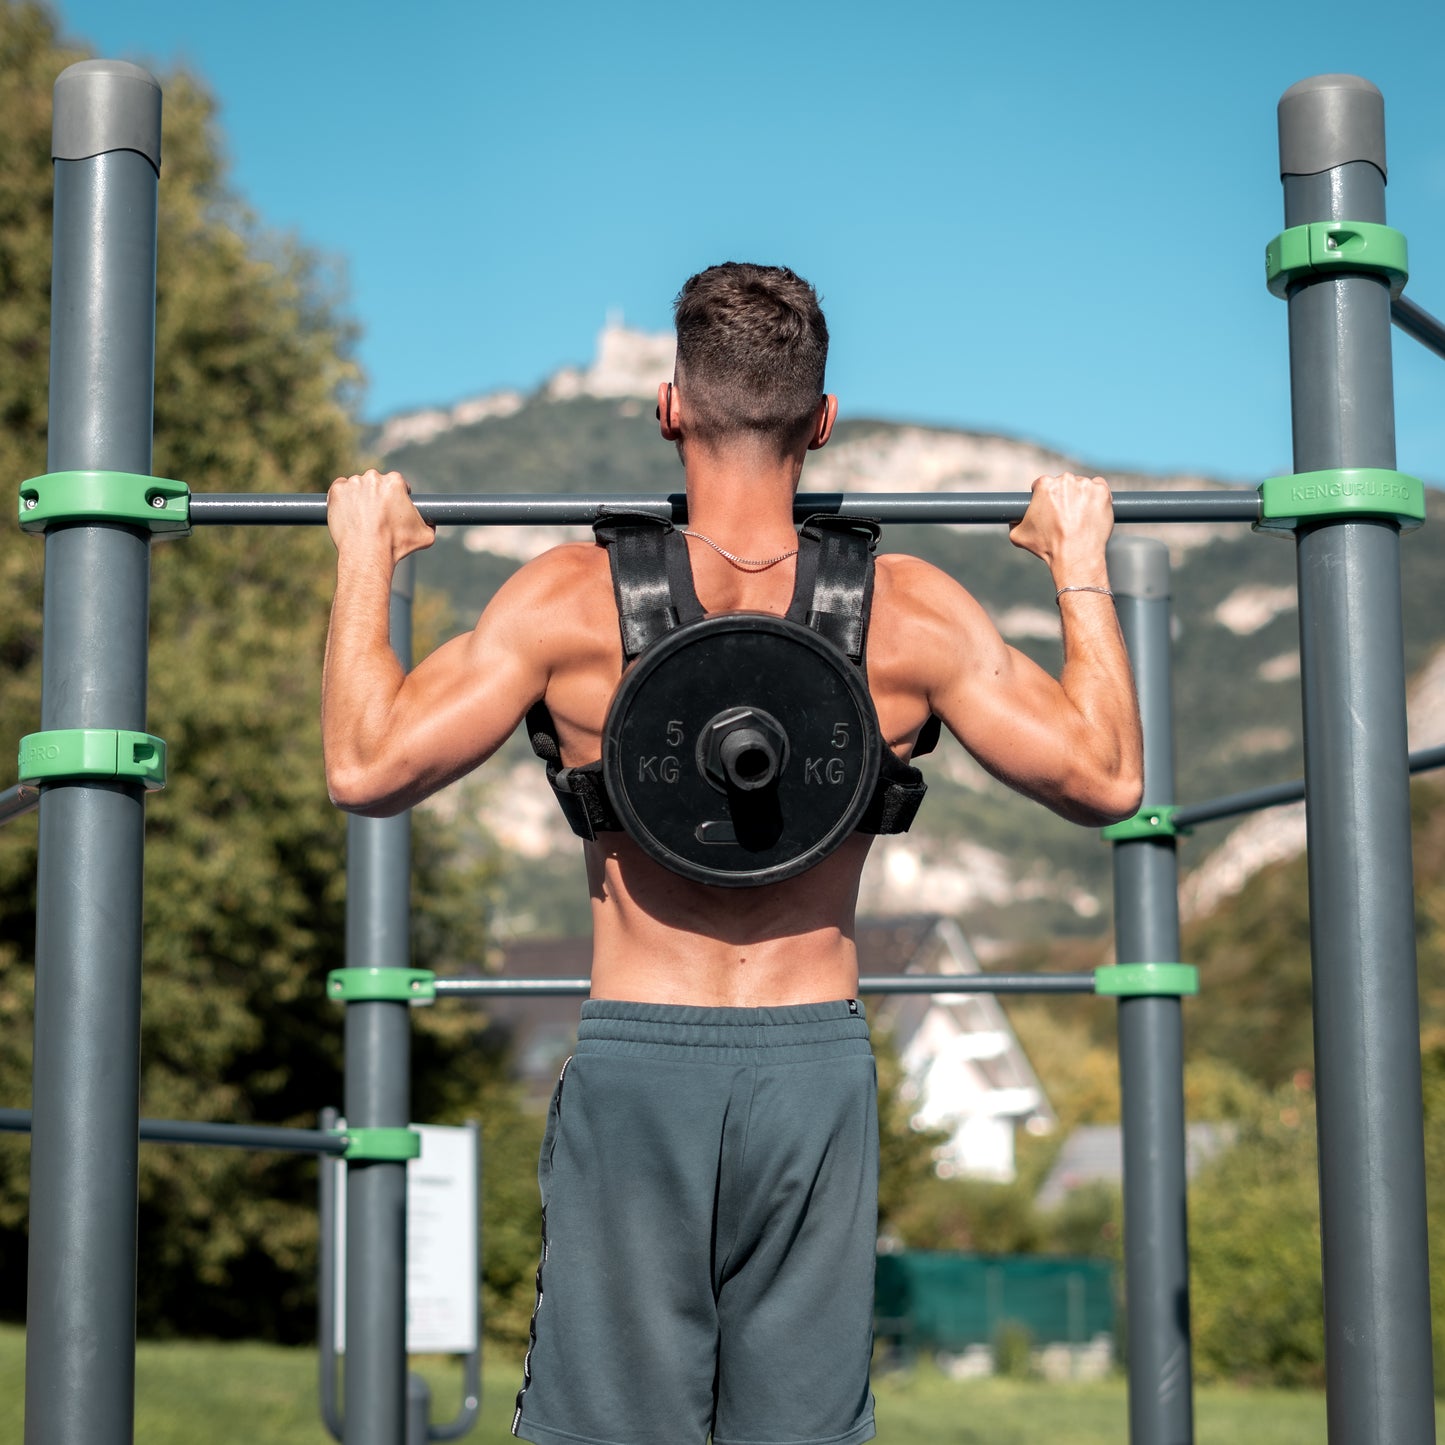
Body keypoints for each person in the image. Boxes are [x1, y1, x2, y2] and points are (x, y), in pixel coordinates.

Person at [323, 262, 1143, 1445]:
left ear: (669, 407)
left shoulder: (567, 602)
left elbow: (365, 765)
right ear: (820, 420)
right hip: (812, 1069)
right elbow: (1107, 777)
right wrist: (1074, 558)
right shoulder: (908, 611)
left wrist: (367, 552)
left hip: (638, 1064)